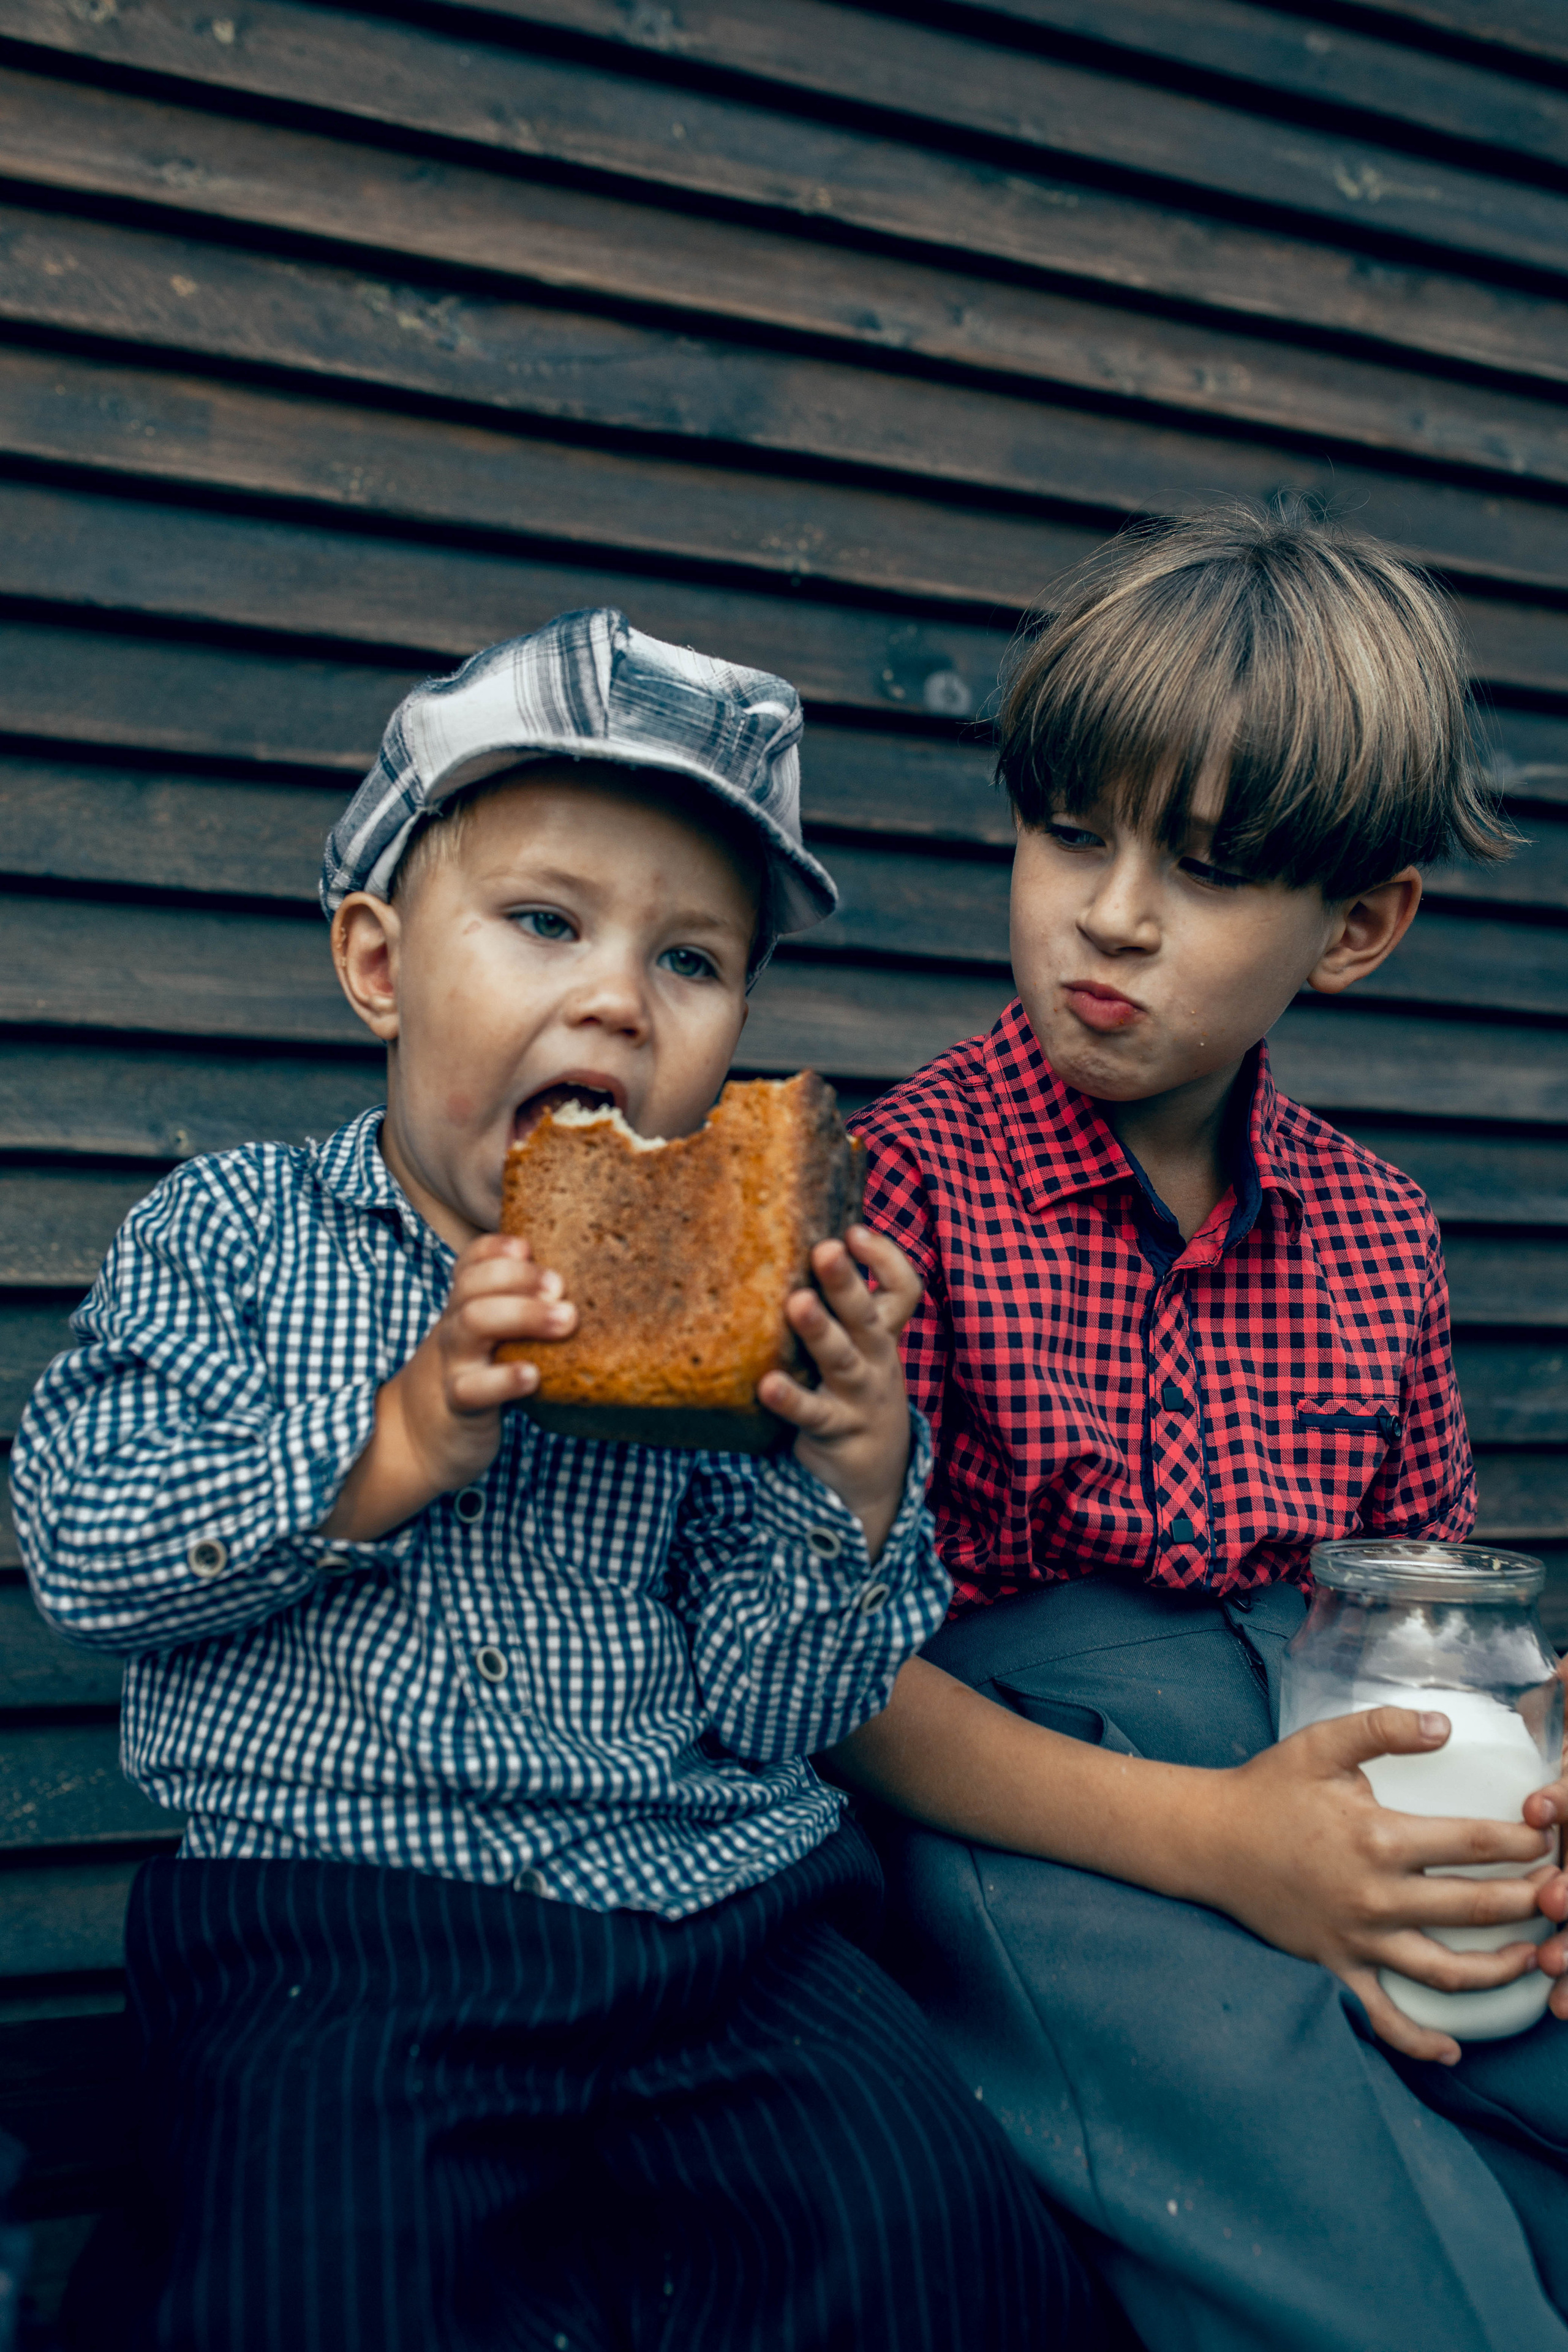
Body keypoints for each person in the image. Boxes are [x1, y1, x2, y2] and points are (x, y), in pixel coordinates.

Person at [10, 609, 1102, 2352]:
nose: (616, 997)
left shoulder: (734, 1303)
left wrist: (854, 1473)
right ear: (378, 963)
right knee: (321, 2282)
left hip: (717, 1915)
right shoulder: (233, 1233)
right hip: (340, 1926)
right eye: (544, 922)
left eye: (693, 960)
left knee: (932, 2237)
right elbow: (82, 1547)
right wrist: (391, 1448)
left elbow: (779, 1705)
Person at [832, 511, 1568, 2352]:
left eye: (1212, 867)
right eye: (1073, 831)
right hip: (1031, 1825)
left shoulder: (1378, 1229)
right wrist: (1226, 1843)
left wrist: (1526, 1814)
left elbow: (1431, 1624)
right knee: (1393, 2270)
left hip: (1323, 1765)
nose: (1114, 912)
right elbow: (832, 1672)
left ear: (1360, 926)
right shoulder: (899, 1189)